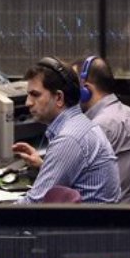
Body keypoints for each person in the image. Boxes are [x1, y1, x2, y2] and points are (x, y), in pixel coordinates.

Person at [11, 57, 121, 203]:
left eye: (35, 95)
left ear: (59, 98)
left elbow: (34, 204)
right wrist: (44, 166)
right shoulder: (82, 125)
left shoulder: (69, 138)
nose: (28, 103)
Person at [75, 56, 130, 203]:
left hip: (110, 210)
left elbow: (75, 181)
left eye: (73, 87)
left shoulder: (101, 125)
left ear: (86, 90)